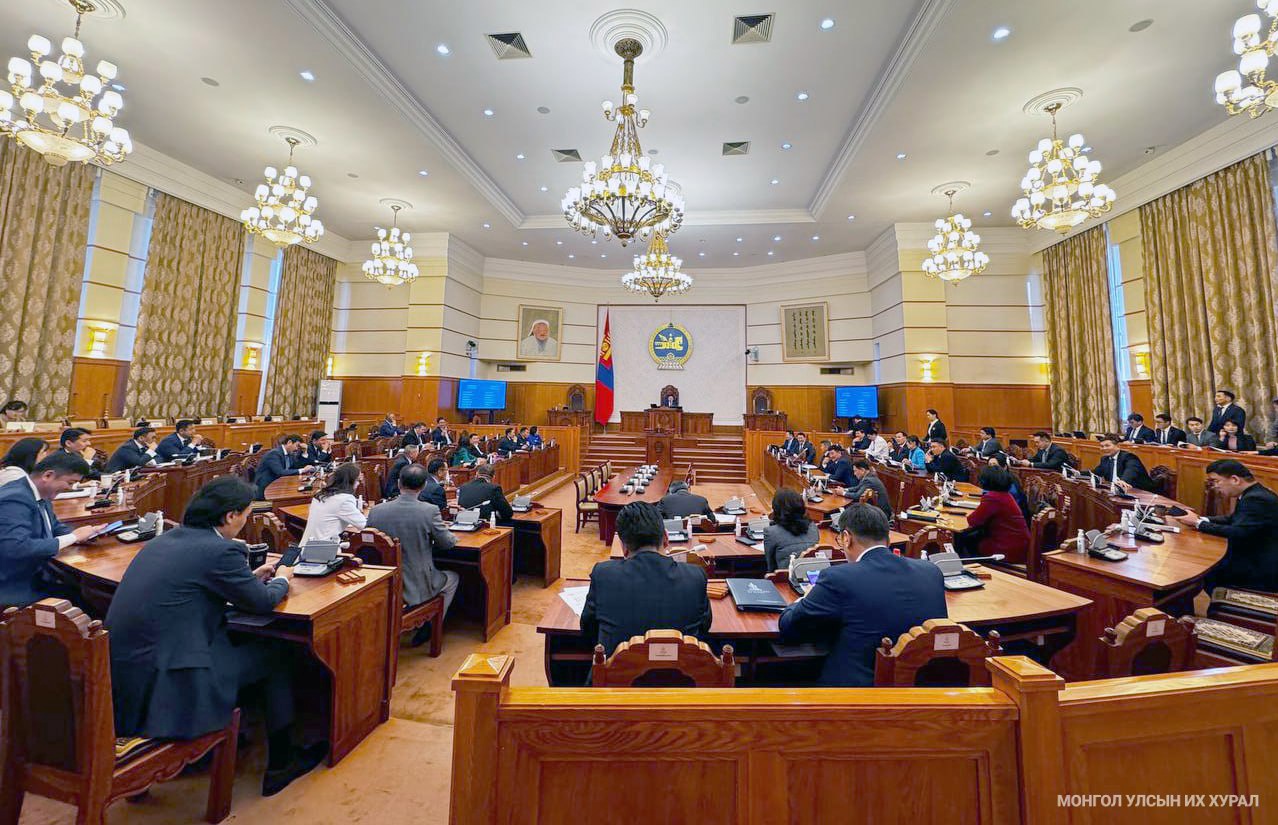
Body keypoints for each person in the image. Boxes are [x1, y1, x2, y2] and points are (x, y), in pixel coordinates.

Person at [105, 476, 324, 796]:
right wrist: (283, 579)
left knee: (240, 642)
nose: (245, 521)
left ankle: (242, 728)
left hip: (131, 676)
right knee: (277, 654)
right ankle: (282, 763)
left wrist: (246, 580)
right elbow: (262, 603)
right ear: (230, 516)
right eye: (246, 515)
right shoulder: (220, 550)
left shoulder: (164, 540)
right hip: (175, 679)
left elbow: (193, 587)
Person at [778, 504, 946, 687]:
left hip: (860, 692)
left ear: (846, 538)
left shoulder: (838, 578)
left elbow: (789, 627)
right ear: (888, 539)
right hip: (924, 687)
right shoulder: (931, 571)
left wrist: (804, 598)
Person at [579, 501, 712, 659]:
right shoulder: (695, 577)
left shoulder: (603, 574)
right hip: (683, 673)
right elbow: (704, 627)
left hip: (618, 673)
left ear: (624, 547)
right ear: (666, 538)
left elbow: (588, 629)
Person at [366, 464, 460, 645]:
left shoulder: (376, 511)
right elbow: (447, 543)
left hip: (384, 583)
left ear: (399, 483)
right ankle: (431, 625)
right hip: (417, 584)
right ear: (424, 486)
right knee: (453, 578)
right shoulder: (429, 511)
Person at [0, 452, 101, 607]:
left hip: (37, 573)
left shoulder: (40, 493)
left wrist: (82, 535)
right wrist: (73, 537)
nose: (70, 488)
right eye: (70, 482)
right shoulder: (14, 498)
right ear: (48, 475)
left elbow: (53, 526)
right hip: (12, 583)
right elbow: (16, 547)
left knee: (83, 590)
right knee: (87, 599)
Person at [1172, 460, 1278, 593]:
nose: (1215, 486)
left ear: (1235, 479)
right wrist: (1201, 519)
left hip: (1260, 568)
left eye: (1217, 481)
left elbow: (1238, 532)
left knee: (1202, 569)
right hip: (1253, 555)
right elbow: (1232, 519)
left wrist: (1198, 524)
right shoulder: (1253, 493)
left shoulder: (1256, 499)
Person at [955, 466, 1029, 564]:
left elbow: (972, 521)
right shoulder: (1006, 495)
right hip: (1019, 546)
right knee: (971, 536)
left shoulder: (993, 497)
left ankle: (970, 567)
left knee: (965, 539)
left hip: (1007, 549)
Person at [300, 462, 366, 544]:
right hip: (323, 549)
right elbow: (363, 525)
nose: (359, 483)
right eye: (358, 480)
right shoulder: (345, 500)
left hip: (306, 546)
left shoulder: (319, 494)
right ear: (350, 481)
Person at [764, 488, 819, 571]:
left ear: (776, 508)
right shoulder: (813, 527)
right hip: (812, 573)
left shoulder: (771, 532)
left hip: (786, 576)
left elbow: (770, 567)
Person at [254, 434, 312, 499]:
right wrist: (302, 470)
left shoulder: (290, 454)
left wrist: (304, 452)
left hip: (280, 486)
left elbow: (297, 467)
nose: (297, 449)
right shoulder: (274, 453)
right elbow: (280, 472)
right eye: (297, 446)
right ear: (289, 442)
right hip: (267, 490)